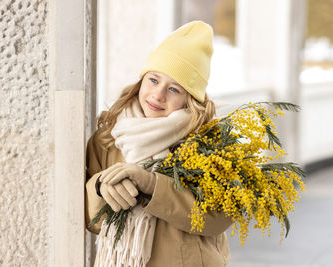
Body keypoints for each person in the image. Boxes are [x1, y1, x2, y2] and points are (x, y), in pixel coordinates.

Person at [85, 20, 233, 267]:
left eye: (174, 89)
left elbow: (219, 216)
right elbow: (92, 221)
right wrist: (100, 187)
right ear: (141, 81)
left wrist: (154, 185)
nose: (158, 95)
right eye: (154, 80)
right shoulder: (108, 138)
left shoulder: (209, 142)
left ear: (190, 100)